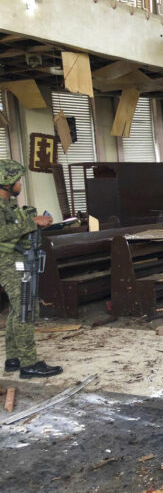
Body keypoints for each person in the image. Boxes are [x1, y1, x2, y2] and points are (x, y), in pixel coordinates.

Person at [0, 159, 62, 378]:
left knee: (18, 310)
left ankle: (13, 358)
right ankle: (29, 364)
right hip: (7, 263)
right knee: (24, 310)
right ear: (6, 182)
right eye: (17, 180)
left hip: (17, 259)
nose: (19, 184)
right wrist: (32, 222)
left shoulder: (7, 204)